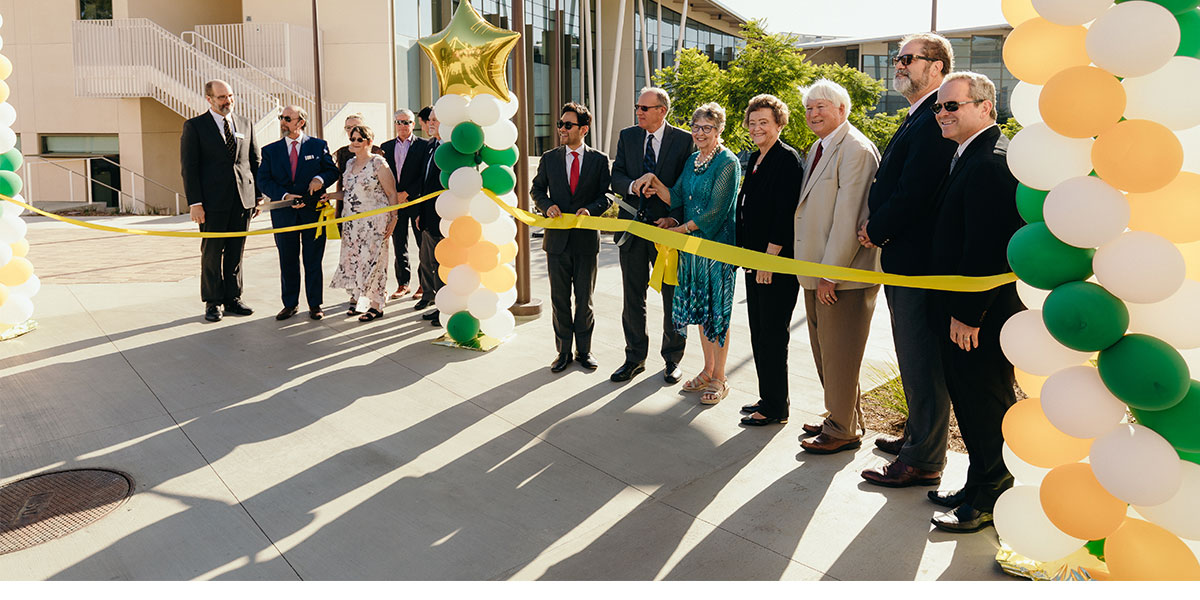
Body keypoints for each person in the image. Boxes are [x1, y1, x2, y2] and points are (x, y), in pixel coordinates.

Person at [857, 33, 960, 488]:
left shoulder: (940, 115)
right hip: (904, 255)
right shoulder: (918, 114)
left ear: (936, 67)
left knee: (922, 357)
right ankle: (918, 438)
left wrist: (876, 229)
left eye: (906, 59)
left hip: (919, 259)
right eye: (896, 59)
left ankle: (923, 461)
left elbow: (916, 190)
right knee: (910, 355)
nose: (897, 65)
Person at [925, 72, 1024, 533]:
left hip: (979, 315)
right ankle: (977, 481)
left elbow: (986, 246)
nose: (941, 114)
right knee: (968, 400)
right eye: (939, 107)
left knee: (985, 402)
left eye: (952, 106)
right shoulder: (967, 155)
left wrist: (968, 313)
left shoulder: (990, 162)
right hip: (963, 309)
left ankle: (990, 498)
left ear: (985, 107)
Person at [790, 81, 883, 451]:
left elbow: (849, 218)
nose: (813, 114)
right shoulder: (818, 146)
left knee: (840, 354)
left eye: (821, 107)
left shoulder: (856, 149)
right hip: (815, 272)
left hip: (841, 276)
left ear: (842, 109)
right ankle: (842, 417)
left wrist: (830, 274)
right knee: (826, 352)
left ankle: (842, 430)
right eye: (809, 108)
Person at [633, 103, 740, 405]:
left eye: (707, 128)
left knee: (718, 314)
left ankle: (720, 378)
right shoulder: (693, 160)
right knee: (703, 313)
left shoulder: (727, 162)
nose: (700, 133)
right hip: (692, 251)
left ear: (720, 130)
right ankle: (707, 370)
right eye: (696, 127)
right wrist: (653, 181)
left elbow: (716, 212)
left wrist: (680, 230)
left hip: (716, 250)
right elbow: (676, 195)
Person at [609, 87, 693, 384]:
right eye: (637, 107)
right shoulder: (628, 136)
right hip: (631, 230)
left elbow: (687, 188)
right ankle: (634, 358)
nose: (639, 112)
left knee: (673, 297)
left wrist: (674, 218)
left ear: (662, 111)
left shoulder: (684, 140)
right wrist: (633, 186)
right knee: (633, 297)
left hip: (667, 232)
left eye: (645, 108)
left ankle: (672, 359)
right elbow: (616, 175)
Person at [734, 94, 803, 426]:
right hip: (753, 262)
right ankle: (769, 397)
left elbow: (784, 213)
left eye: (764, 122)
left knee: (773, 335)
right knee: (759, 333)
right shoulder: (755, 157)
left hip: (774, 264)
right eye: (753, 122)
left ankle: (776, 408)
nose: (757, 127)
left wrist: (769, 259)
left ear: (779, 123)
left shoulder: (786, 159)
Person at [531, 103, 613, 373]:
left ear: (584, 129)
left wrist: (591, 209)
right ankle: (563, 352)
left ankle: (585, 351)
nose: (561, 129)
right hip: (556, 242)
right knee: (559, 299)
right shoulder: (550, 158)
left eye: (568, 125)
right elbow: (537, 189)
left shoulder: (599, 160)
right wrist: (547, 205)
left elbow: (607, 195)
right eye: (560, 124)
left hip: (586, 241)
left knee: (584, 299)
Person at [180, 79, 260, 323]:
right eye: (222, 97)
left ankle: (233, 298)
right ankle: (213, 301)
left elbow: (254, 161)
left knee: (236, 252)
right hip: (211, 203)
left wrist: (256, 196)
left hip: (241, 201)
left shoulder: (245, 123)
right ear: (209, 99)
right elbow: (189, 168)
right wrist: (195, 203)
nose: (228, 101)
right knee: (213, 252)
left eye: (231, 96)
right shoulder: (195, 127)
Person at [257, 105, 340, 321]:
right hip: (284, 214)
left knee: (313, 261)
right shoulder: (270, 150)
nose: (283, 122)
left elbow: (332, 170)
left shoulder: (318, 145)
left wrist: (319, 180)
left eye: (287, 118)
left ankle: (315, 304)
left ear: (300, 122)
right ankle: (290, 304)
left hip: (313, 213)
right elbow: (263, 180)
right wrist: (285, 196)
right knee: (288, 259)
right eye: (281, 118)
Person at [327, 124, 398, 322]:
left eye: (359, 139)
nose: (355, 142)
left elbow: (391, 193)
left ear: (369, 142)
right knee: (356, 262)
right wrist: (331, 195)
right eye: (352, 139)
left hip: (375, 223)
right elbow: (349, 193)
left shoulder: (378, 163)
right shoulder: (349, 164)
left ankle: (377, 306)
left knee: (373, 263)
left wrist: (394, 218)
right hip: (353, 224)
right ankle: (360, 301)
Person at [381, 109, 429, 300]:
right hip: (395, 203)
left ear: (413, 124)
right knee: (399, 243)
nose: (403, 126)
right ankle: (403, 283)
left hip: (415, 201)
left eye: (407, 122)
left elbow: (423, 175)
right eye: (399, 122)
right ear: (394, 124)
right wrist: (395, 196)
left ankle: (423, 284)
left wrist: (407, 193)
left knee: (421, 244)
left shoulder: (424, 146)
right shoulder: (386, 147)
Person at [407, 108, 444, 327]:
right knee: (429, 262)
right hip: (427, 217)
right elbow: (424, 183)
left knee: (442, 265)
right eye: (429, 120)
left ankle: (445, 308)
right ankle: (436, 303)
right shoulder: (430, 146)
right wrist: (419, 214)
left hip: (444, 218)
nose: (431, 123)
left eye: (435, 120)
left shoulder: (452, 149)